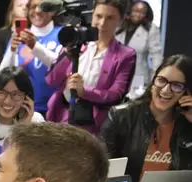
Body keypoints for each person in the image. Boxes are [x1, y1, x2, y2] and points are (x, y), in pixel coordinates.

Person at [45, 0, 136, 135]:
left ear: (120, 21)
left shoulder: (125, 54)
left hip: (94, 123)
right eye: (99, 16)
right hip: (61, 116)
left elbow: (116, 94)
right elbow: (51, 80)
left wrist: (84, 92)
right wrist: (68, 54)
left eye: (110, 18)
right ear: (92, 15)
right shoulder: (76, 42)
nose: (102, 23)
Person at [100, 54, 192, 182]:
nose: (166, 90)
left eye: (176, 86)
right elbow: (101, 166)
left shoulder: (187, 123)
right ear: (153, 81)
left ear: (186, 92)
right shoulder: (122, 116)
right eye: (162, 80)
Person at [0, 0, 63, 117]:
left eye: (42, 7)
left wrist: (34, 46)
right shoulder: (19, 36)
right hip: (21, 107)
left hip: (54, 108)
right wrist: (12, 50)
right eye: (33, 7)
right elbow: (4, 72)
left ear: (52, 11)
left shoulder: (61, 34)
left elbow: (59, 66)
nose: (37, 11)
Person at [116, 0, 162, 98]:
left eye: (142, 12)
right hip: (117, 73)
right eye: (136, 10)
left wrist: (155, 79)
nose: (138, 14)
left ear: (146, 14)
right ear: (130, 11)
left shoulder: (151, 29)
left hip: (139, 75)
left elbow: (156, 56)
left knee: (134, 103)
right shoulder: (120, 27)